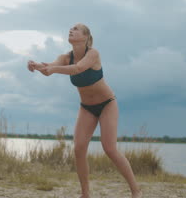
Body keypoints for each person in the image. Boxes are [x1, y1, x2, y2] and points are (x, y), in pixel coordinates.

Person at [27, 23, 142, 198]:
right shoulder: (65, 57)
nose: (71, 30)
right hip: (86, 107)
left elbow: (78, 68)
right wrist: (36, 66)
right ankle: (85, 194)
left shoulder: (93, 54)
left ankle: (136, 191)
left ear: (86, 37)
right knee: (79, 148)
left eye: (76, 29)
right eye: (70, 29)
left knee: (109, 148)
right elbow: (49, 69)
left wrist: (53, 69)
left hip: (107, 104)